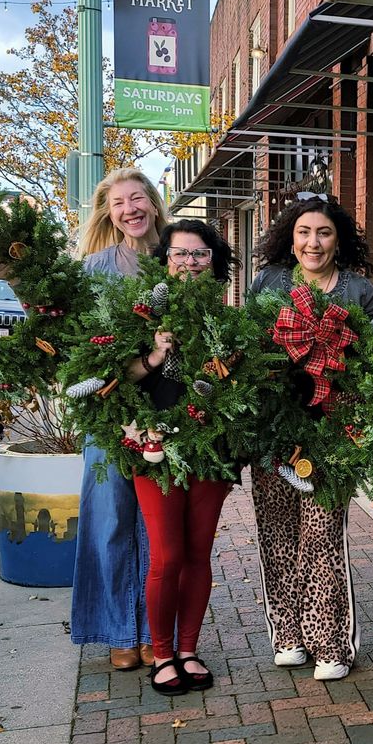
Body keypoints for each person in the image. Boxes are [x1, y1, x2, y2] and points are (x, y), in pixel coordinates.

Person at [248, 194, 373, 681]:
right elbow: (248, 350)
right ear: (291, 238)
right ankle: (288, 636)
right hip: (274, 432)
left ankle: (331, 643)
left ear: (337, 240)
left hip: (332, 432)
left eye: (323, 233)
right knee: (277, 534)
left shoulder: (359, 291)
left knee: (321, 537)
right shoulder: (269, 283)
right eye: (304, 232)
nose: (313, 242)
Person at [128, 219, 237, 696]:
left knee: (197, 554)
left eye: (199, 254)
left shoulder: (227, 320)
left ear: (212, 261)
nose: (190, 263)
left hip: (210, 452)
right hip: (154, 451)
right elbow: (117, 375)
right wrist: (154, 356)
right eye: (180, 254)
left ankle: (188, 649)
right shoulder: (140, 312)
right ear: (165, 260)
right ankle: (162, 654)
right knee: (167, 555)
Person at [72, 167, 169, 670]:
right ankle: (118, 632)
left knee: (157, 525)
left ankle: (154, 632)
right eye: (118, 203)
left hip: (169, 411)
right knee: (109, 520)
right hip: (108, 411)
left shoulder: (178, 259)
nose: (130, 209)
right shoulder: (94, 268)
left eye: (137, 198)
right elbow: (74, 338)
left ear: (153, 202)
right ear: (109, 214)